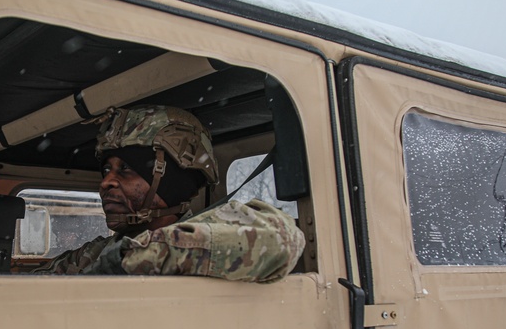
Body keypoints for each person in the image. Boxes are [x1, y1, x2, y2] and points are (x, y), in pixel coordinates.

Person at [34, 105, 305, 283]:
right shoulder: (100, 252)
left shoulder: (211, 235)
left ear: (170, 180)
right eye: (106, 170)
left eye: (125, 169)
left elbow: (283, 239)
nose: (106, 182)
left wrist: (135, 258)